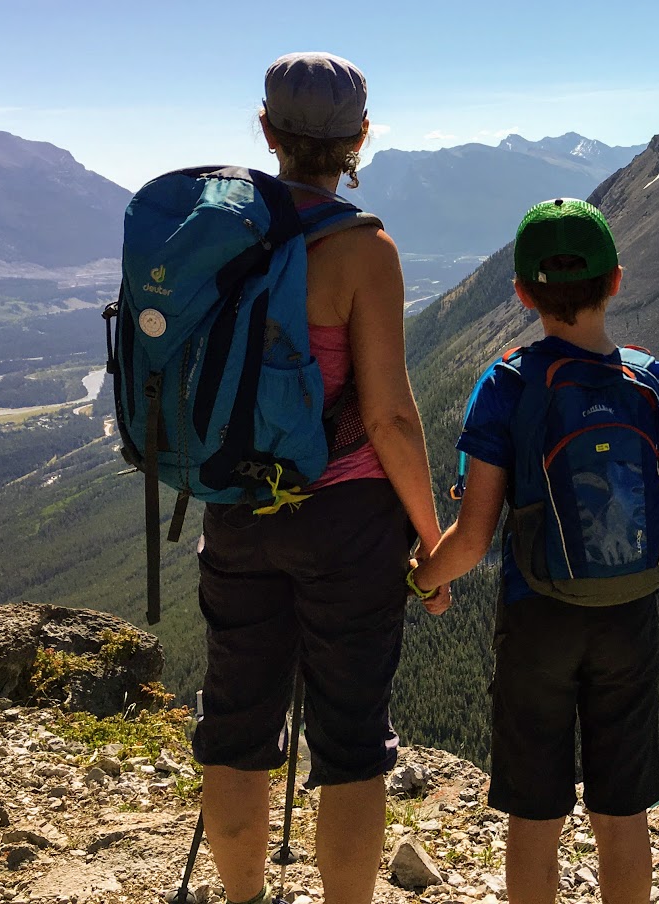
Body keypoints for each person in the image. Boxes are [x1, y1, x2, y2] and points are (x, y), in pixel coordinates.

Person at [192, 52, 448, 904]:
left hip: (236, 504)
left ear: (265, 131)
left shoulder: (219, 230)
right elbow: (390, 420)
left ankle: (242, 899)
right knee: (350, 743)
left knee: (235, 731)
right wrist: (433, 540)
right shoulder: (363, 249)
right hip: (348, 523)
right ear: (360, 140)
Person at [411, 198, 659, 904]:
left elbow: (472, 539)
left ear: (521, 293)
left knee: (536, 811)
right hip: (630, 612)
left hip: (537, 614)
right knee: (622, 810)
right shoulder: (652, 379)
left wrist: (423, 577)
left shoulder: (507, 384)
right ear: (617, 281)